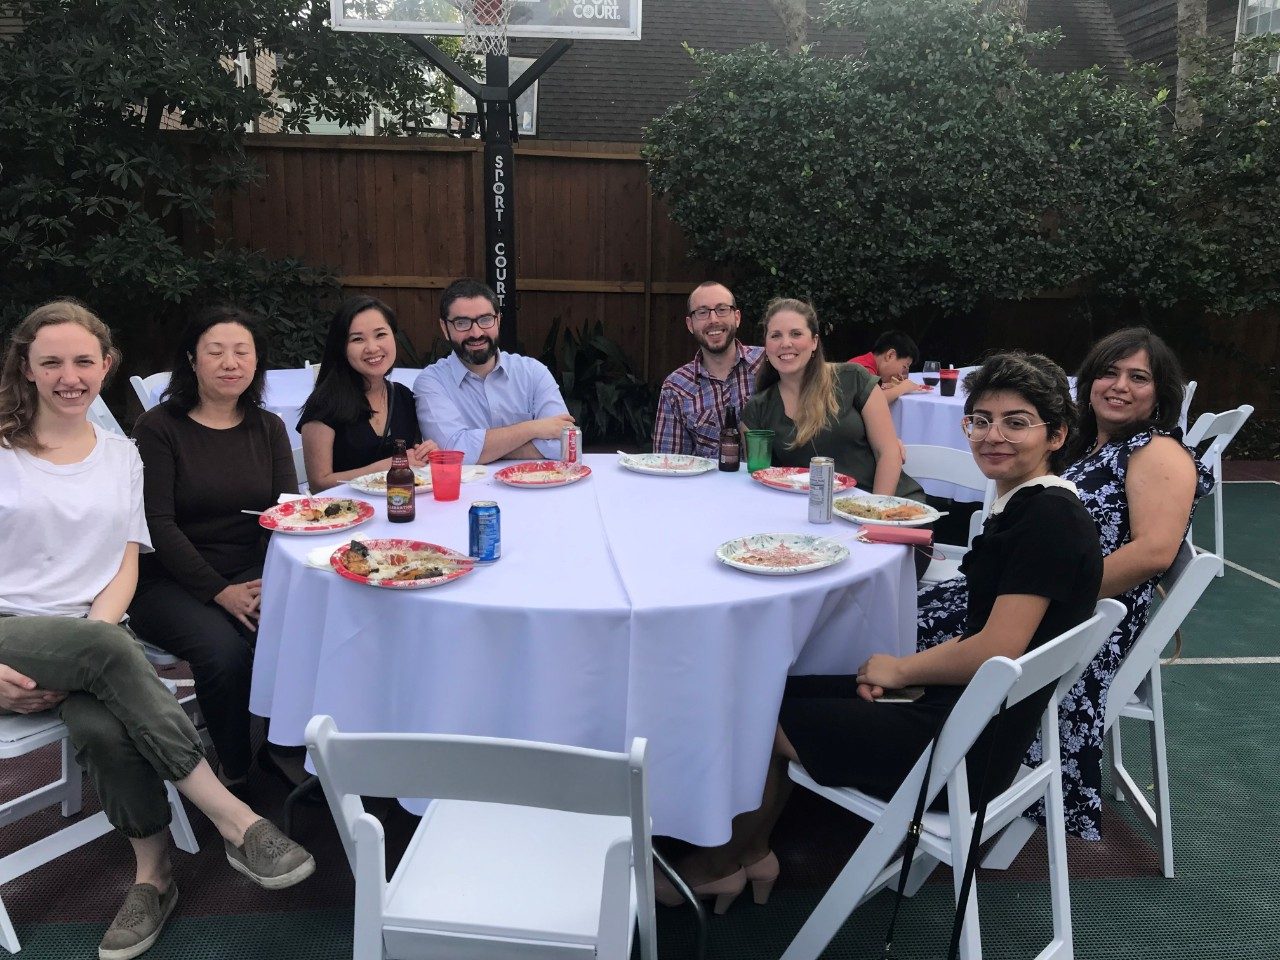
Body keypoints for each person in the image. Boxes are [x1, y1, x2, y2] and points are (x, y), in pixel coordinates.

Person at [656, 352, 1102, 909]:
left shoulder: (1049, 521)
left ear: (1057, 433)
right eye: (981, 420)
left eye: (1016, 422)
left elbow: (999, 648)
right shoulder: (1031, 507)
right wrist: (906, 677)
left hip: (963, 750)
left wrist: (900, 668)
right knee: (770, 695)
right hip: (970, 714)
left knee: (757, 713)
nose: (993, 436)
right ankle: (752, 852)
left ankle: (717, 863)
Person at [0, 300, 314, 960]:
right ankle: (235, 817)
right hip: (11, 631)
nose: (69, 375)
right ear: (25, 368)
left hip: (92, 629)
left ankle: (153, 876)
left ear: (106, 365)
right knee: (114, 655)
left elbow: (123, 563)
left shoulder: (121, 455)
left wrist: (95, 638)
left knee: (100, 724)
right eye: (50, 361)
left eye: (84, 361)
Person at [919, 328, 1213, 839]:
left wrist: (1049, 594)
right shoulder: (1088, 445)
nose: (1119, 385)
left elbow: (1153, 553)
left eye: (1137, 377)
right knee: (911, 605)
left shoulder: (1158, 451)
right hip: (1042, 597)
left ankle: (916, 757)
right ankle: (907, 743)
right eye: (1108, 372)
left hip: (1081, 621)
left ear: (1160, 392)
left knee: (917, 623)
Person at [127, 306, 300, 793]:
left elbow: (285, 514)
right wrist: (220, 591)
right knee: (224, 653)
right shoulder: (158, 428)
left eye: (242, 351)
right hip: (169, 578)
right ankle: (235, 768)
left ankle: (286, 749)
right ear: (192, 360)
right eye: (216, 351)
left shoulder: (268, 427)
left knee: (303, 628)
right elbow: (156, 524)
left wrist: (272, 581)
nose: (231, 362)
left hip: (251, 571)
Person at [741, 298, 924, 501]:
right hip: (811, 516)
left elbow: (888, 452)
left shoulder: (853, 379)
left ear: (814, 342)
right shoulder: (757, 409)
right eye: (776, 335)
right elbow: (761, 479)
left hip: (886, 505)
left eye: (796, 334)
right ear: (766, 346)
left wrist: (876, 517)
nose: (785, 343)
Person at [413, 278, 574, 464]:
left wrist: (481, 451)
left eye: (485, 320)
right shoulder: (432, 382)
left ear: (498, 320)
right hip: (467, 492)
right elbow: (452, 451)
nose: (476, 333)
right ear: (444, 327)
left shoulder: (533, 373)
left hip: (535, 489)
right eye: (462, 323)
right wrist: (533, 429)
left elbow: (565, 443)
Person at [297, 296, 436, 491]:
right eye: (357, 339)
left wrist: (426, 455)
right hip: (346, 515)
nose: (372, 348)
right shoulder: (325, 404)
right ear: (342, 348)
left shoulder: (403, 397)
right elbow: (319, 483)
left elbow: (411, 462)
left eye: (380, 335)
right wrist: (383, 468)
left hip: (399, 509)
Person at [652, 281, 764, 457]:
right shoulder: (676, 387)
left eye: (722, 309)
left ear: (737, 317)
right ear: (690, 324)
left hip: (766, 482)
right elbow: (669, 464)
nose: (713, 320)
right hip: (706, 484)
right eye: (702, 312)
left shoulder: (767, 364)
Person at [848, 329, 932, 403]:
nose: (901, 374)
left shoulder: (866, 364)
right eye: (904, 367)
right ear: (890, 355)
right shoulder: (863, 369)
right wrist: (904, 387)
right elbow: (874, 402)